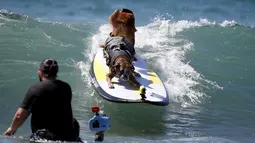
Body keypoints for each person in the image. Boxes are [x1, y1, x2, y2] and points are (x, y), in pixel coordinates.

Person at [3, 58, 82, 142]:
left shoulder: (36, 89)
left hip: (46, 138)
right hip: (70, 136)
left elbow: (19, 115)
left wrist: (11, 129)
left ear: (40, 72)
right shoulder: (66, 87)